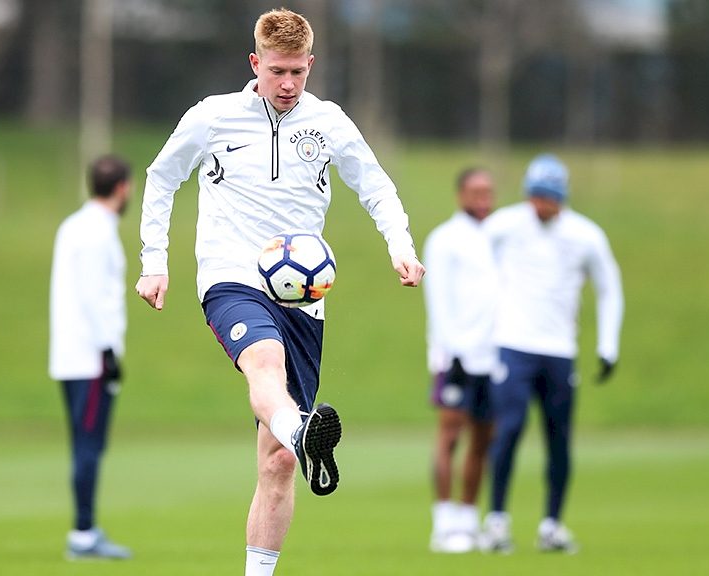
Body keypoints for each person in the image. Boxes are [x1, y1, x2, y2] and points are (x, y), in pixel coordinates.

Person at [134, 9, 425, 576]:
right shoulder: (212, 117)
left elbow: (377, 187)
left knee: (277, 465)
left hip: (304, 296)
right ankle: (302, 431)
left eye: (297, 72)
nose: (287, 85)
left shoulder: (329, 122)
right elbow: (161, 177)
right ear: (255, 63)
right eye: (276, 72)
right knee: (263, 364)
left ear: (310, 64)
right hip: (232, 278)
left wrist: (401, 246)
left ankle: (263, 555)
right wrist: (154, 261)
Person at [481, 154, 623, 554]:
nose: (541, 205)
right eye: (536, 196)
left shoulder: (586, 235)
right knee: (508, 429)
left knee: (559, 437)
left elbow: (609, 288)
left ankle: (552, 524)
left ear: (562, 198)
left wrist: (607, 345)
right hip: (513, 344)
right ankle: (496, 520)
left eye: (549, 198)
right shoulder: (505, 226)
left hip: (560, 349)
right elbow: (473, 270)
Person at [49, 155, 134, 560]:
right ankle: (83, 533)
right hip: (91, 357)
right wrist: (108, 351)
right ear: (121, 188)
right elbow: (92, 296)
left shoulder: (72, 226)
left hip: (68, 354)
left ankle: (85, 526)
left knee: (84, 444)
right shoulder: (99, 233)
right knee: (89, 445)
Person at [422, 168, 499, 553]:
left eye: (488, 191)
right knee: (450, 435)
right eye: (476, 191)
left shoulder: (500, 236)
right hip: (455, 356)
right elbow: (439, 301)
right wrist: (447, 353)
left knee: (483, 439)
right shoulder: (445, 239)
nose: (483, 198)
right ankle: (443, 522)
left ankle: (468, 520)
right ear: (461, 195)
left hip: (493, 356)